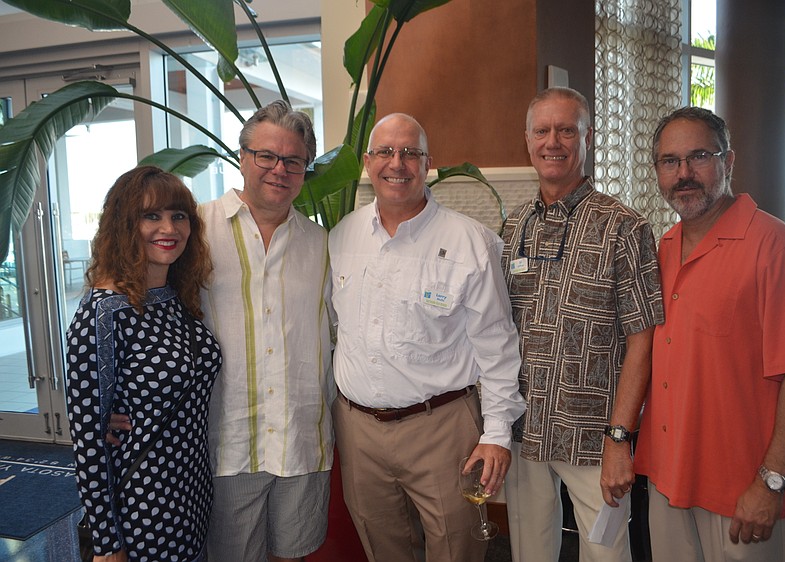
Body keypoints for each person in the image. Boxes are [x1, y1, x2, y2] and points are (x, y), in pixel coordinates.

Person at [633, 106, 785, 562]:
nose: (684, 173)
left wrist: (771, 482)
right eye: (670, 161)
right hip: (667, 478)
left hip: (742, 492)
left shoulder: (780, 251)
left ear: (729, 161)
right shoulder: (661, 249)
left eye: (699, 156)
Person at [328, 113, 526, 562]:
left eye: (410, 153)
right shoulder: (342, 238)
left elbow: (497, 347)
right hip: (359, 432)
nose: (397, 163)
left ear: (428, 163)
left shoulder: (470, 242)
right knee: (382, 548)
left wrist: (496, 433)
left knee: (458, 547)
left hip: (442, 428)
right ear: (367, 162)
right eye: (385, 152)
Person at [501, 87, 664, 562]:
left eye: (566, 129)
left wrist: (620, 438)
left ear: (587, 137)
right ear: (528, 140)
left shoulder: (625, 227)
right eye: (542, 130)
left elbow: (643, 341)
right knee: (529, 552)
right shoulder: (512, 229)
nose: (553, 141)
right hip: (523, 427)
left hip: (594, 437)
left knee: (607, 555)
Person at [201, 100, 335, 562]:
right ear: (242, 157)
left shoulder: (321, 244)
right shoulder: (195, 230)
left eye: (293, 161)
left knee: (295, 556)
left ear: (305, 170)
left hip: (301, 440)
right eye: (266, 156)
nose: (279, 169)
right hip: (227, 443)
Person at [66, 166, 221, 562]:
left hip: (191, 493)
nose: (168, 227)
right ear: (124, 225)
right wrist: (107, 543)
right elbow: (87, 441)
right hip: (141, 507)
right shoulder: (103, 313)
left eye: (178, 215)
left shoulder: (173, 297)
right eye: (151, 215)